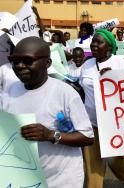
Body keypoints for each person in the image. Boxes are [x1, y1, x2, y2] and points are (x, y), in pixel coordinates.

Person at [1, 36, 94, 188]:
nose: (19, 66)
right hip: (24, 179)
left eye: (27, 60)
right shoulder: (10, 91)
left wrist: (51, 135)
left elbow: (87, 138)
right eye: (14, 60)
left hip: (62, 179)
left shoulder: (65, 93)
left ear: (47, 63)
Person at [79, 29, 124, 188]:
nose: (94, 45)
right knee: (93, 169)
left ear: (109, 47)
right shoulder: (87, 64)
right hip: (92, 124)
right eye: (93, 41)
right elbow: (82, 90)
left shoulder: (121, 64)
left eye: (99, 42)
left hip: (115, 126)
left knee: (115, 161)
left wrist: (115, 79)